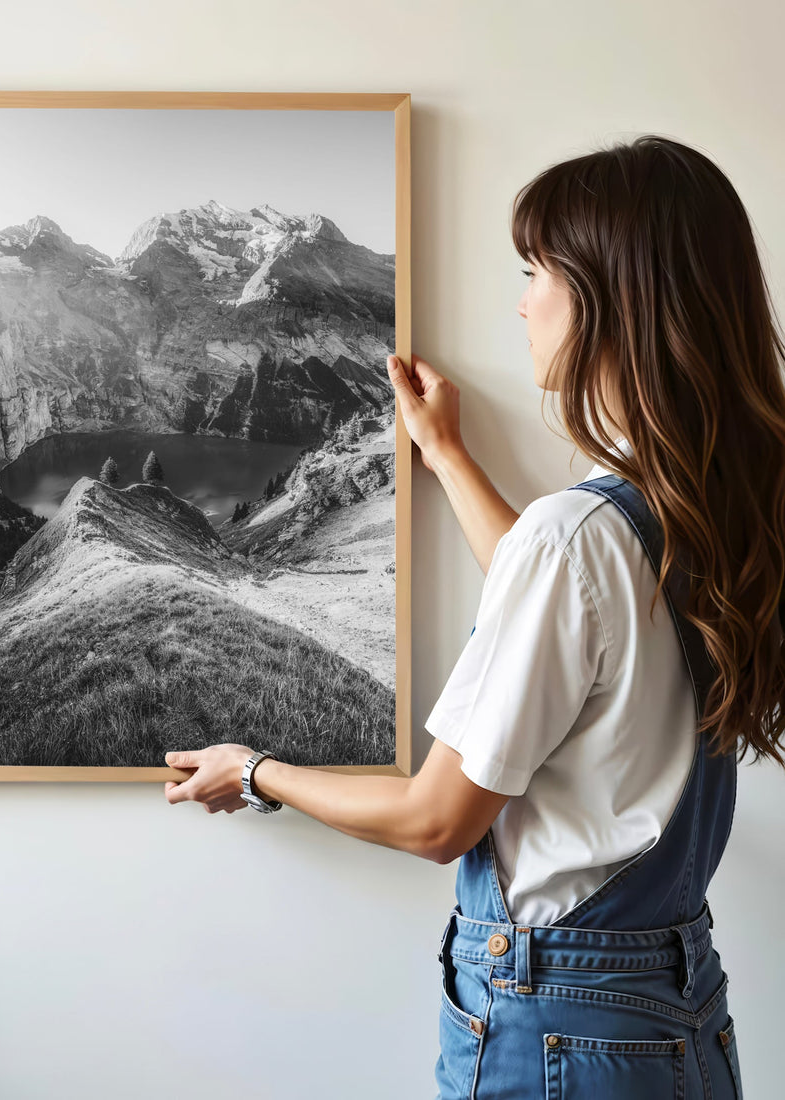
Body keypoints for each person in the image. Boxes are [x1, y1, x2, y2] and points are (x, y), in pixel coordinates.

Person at [162, 134, 785, 1098]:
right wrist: (448, 456)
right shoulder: (708, 510)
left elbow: (435, 820)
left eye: (536, 272)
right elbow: (571, 620)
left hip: (557, 1028)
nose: (523, 302)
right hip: (675, 1015)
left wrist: (252, 771)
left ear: (609, 300)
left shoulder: (580, 536)